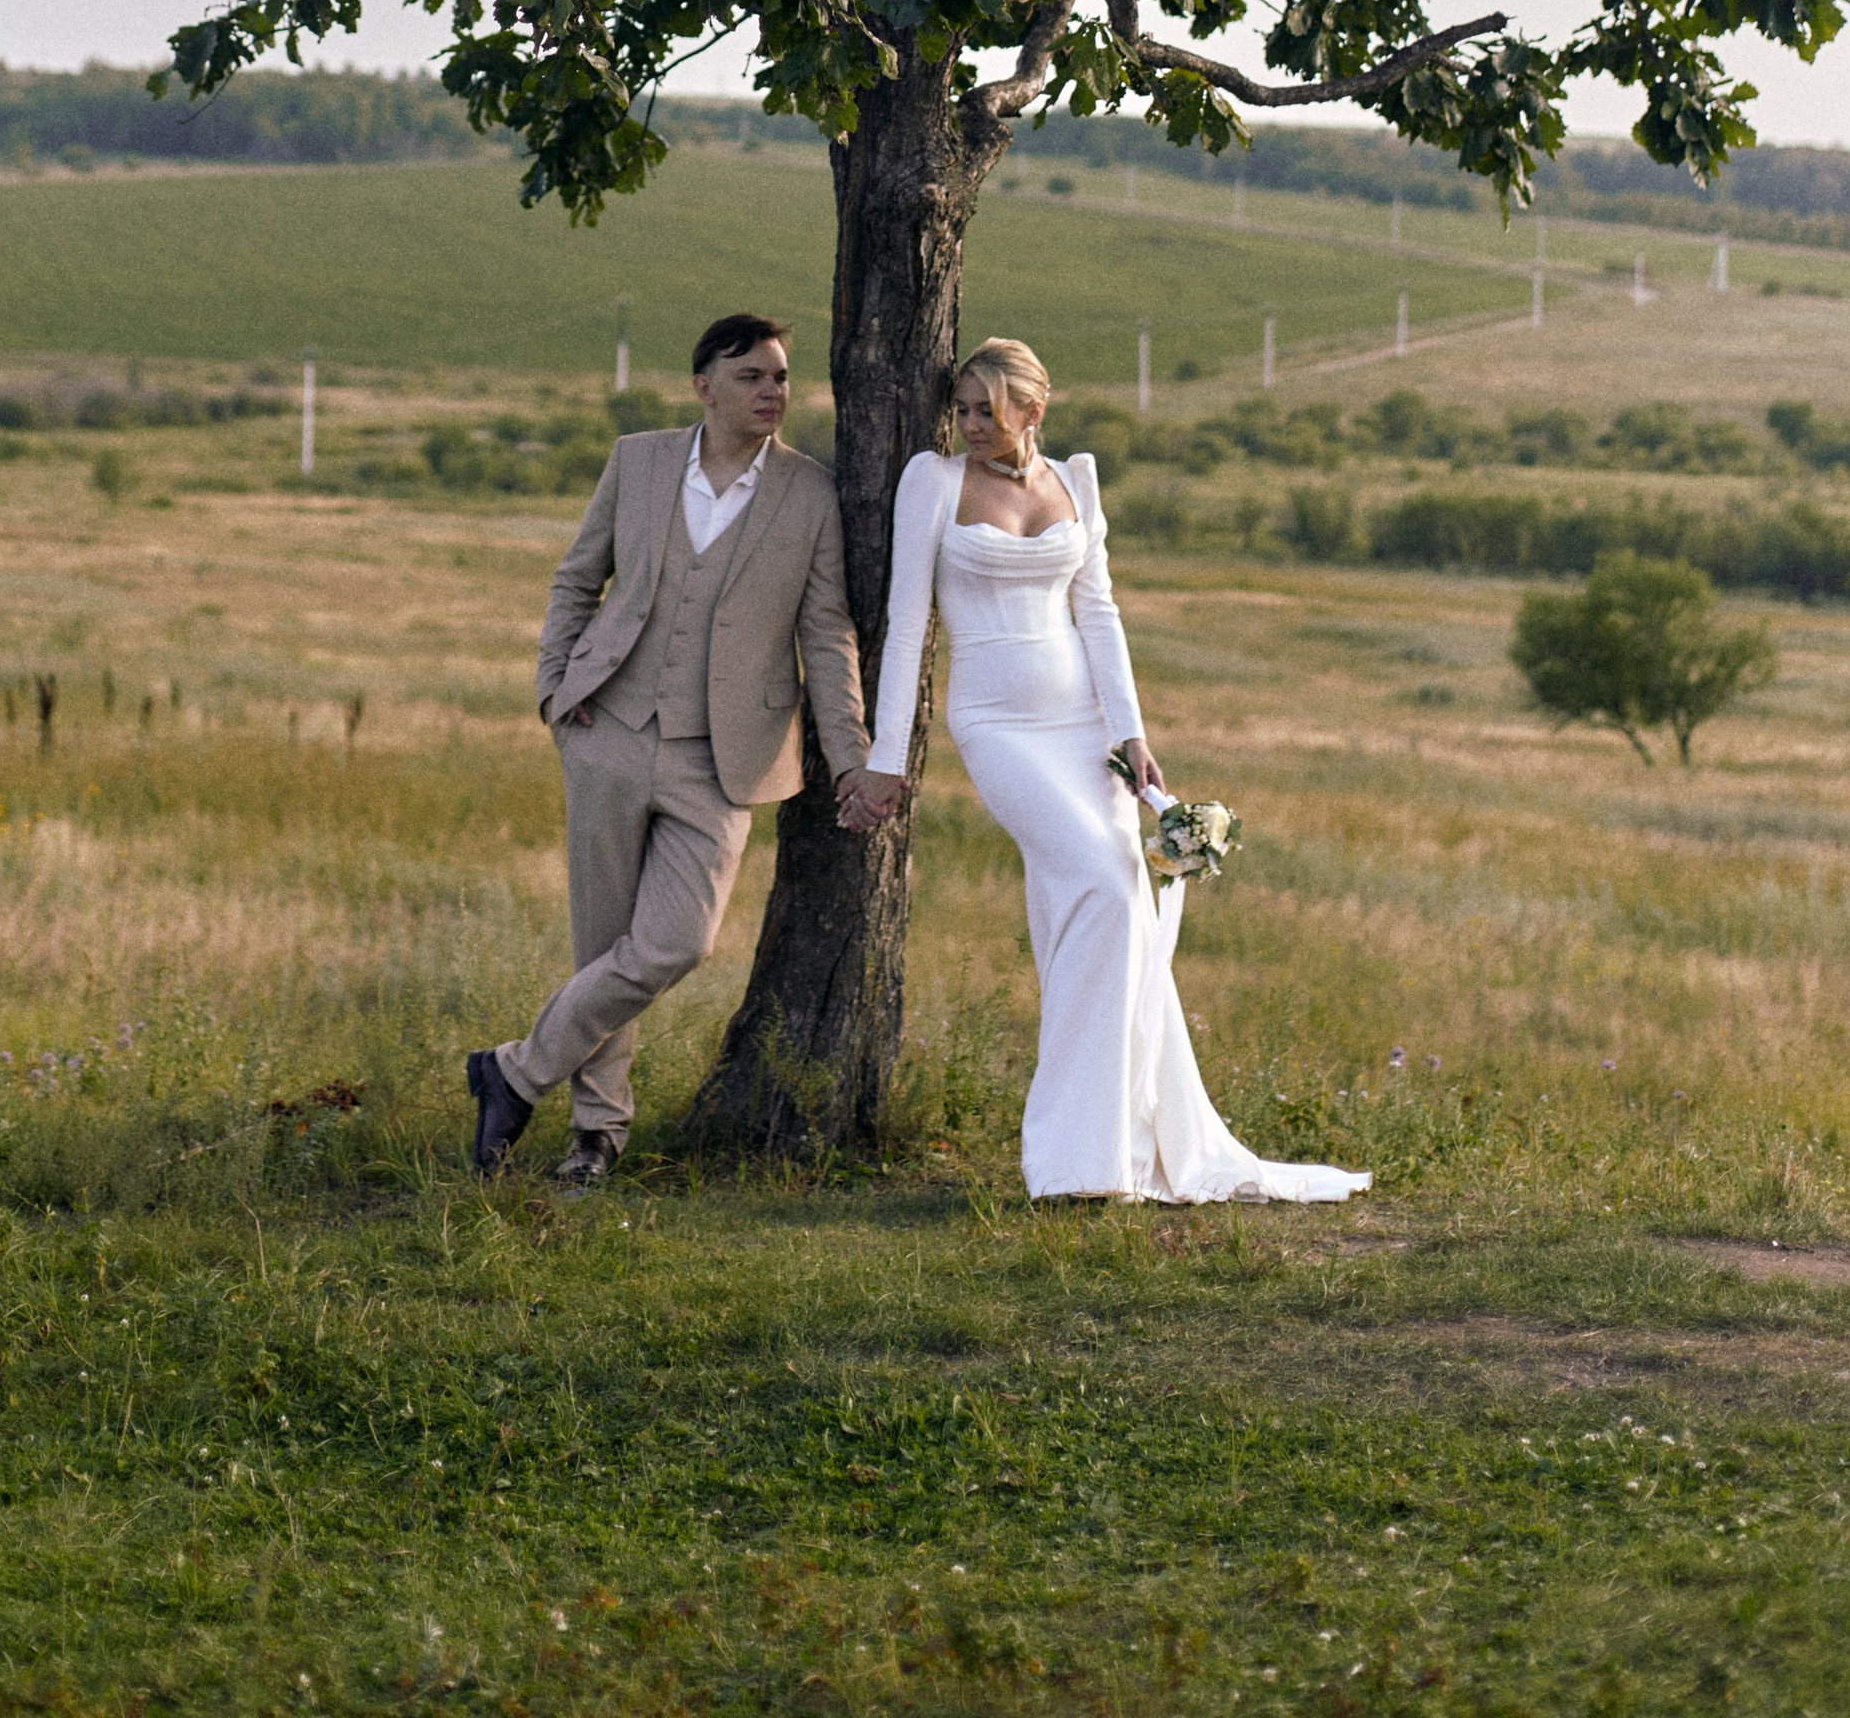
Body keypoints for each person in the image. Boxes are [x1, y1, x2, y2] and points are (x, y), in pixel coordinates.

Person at [845, 336, 1369, 1208]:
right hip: (998, 723)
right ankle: (1071, 1159)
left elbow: (1100, 612)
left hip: (1082, 723)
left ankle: (1109, 1154)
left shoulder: (1074, 482)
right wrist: (887, 761)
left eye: (989, 409)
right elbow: (907, 627)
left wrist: (1131, 734)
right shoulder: (930, 483)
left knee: (1125, 900)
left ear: (1032, 412)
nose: (972, 424)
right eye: (964, 409)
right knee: (1098, 879)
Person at [466, 311, 871, 1185]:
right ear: (704, 386)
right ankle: (595, 1138)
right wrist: (553, 689)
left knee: (671, 945)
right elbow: (579, 577)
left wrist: (852, 758)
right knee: (602, 944)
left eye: (780, 379)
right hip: (604, 732)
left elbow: (828, 632)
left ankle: (511, 1073)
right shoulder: (639, 461)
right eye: (752, 376)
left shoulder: (809, 493)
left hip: (723, 758)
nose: (772, 392)